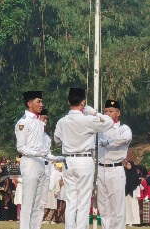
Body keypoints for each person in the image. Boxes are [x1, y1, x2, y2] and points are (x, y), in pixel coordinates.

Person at [54, 87, 114, 229]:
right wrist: (92, 111)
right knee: (84, 200)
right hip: (84, 158)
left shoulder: (62, 121)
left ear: (69, 102)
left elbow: (57, 140)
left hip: (68, 159)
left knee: (71, 199)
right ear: (83, 102)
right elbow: (109, 122)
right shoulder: (88, 120)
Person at [15, 91, 57, 229]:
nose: (41, 104)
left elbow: (44, 149)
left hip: (41, 164)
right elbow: (21, 147)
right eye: (38, 101)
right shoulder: (23, 122)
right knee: (28, 202)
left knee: (39, 203)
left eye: (41, 102)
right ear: (29, 103)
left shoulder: (39, 123)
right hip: (30, 162)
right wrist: (37, 154)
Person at [95, 99, 132, 229]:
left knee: (117, 206)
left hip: (115, 169)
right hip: (101, 168)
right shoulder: (100, 129)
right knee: (104, 206)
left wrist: (109, 142)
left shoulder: (123, 128)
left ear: (118, 113)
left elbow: (126, 138)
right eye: (105, 111)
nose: (108, 114)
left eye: (111, 111)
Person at [124, 160, 141, 226]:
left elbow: (137, 184)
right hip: (127, 192)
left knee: (134, 207)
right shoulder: (126, 173)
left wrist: (138, 194)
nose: (128, 166)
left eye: (129, 165)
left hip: (133, 192)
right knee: (127, 207)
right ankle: (128, 221)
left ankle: (135, 221)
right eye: (127, 165)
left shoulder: (134, 174)